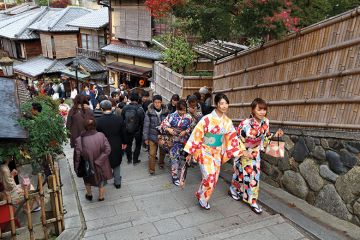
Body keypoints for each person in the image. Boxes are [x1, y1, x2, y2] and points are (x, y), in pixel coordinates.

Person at [184, 93, 245, 210]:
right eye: (222, 103)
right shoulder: (207, 119)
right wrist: (190, 152)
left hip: (217, 152)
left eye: (226, 103)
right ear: (216, 104)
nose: (224, 106)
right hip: (205, 151)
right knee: (209, 177)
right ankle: (203, 199)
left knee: (213, 178)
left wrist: (241, 150)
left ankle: (200, 194)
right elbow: (197, 134)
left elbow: (232, 137)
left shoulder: (227, 121)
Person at [229, 98, 283, 214]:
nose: (262, 112)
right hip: (244, 152)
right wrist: (243, 152)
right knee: (240, 173)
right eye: (259, 109)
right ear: (253, 110)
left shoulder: (266, 122)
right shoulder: (245, 124)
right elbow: (236, 139)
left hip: (255, 151)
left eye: (264, 110)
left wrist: (274, 135)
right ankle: (234, 189)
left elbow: (265, 137)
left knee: (254, 176)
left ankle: (252, 201)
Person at [74, 118, 112, 201]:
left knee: (87, 179)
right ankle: (101, 197)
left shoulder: (79, 140)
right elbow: (108, 149)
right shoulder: (101, 135)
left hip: (87, 165)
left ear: (84, 126)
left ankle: (89, 194)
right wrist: (99, 160)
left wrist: (76, 168)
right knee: (101, 180)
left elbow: (77, 156)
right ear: (95, 125)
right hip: (100, 164)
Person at [160, 100, 193, 186]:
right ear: (177, 108)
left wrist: (186, 131)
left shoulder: (189, 117)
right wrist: (169, 129)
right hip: (173, 140)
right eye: (180, 110)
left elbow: (191, 127)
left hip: (183, 140)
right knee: (174, 156)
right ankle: (174, 176)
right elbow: (163, 125)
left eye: (184, 110)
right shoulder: (171, 116)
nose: (182, 112)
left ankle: (177, 169)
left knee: (179, 157)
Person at [96, 100, 127, 189]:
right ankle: (117, 182)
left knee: (105, 163)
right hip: (117, 144)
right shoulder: (118, 119)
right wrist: (124, 142)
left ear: (102, 109)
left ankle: (104, 181)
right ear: (111, 108)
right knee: (117, 163)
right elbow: (123, 132)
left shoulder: (98, 121)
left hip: (104, 146)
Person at [143, 95, 169, 175]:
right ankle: (152, 169)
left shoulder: (166, 112)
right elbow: (146, 126)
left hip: (162, 136)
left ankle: (161, 163)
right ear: (153, 103)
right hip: (152, 136)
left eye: (159, 102)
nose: (157, 104)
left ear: (161, 102)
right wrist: (146, 138)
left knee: (162, 152)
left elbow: (169, 124)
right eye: (155, 102)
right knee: (152, 154)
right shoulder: (149, 112)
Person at [121, 92, 145, 165]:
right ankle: (135, 159)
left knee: (129, 144)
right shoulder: (140, 109)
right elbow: (142, 121)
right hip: (138, 130)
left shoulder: (125, 108)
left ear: (130, 99)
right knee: (137, 145)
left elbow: (122, 119)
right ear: (138, 99)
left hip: (127, 129)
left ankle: (129, 159)